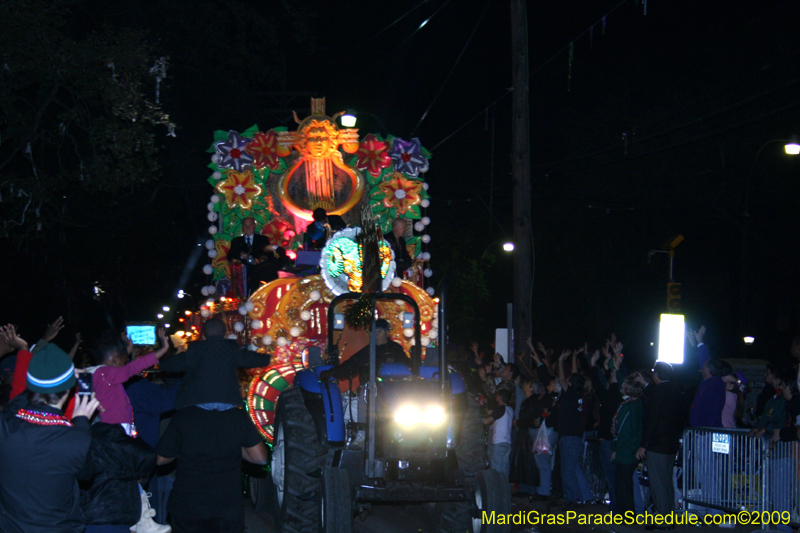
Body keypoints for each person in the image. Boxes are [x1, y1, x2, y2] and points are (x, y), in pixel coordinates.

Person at [0, 342, 100, 533]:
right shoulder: (76, 439)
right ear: (70, 389)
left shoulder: (5, 425)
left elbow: (13, 406)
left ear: (30, 385)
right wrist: (82, 422)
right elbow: (86, 475)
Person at [156, 405, 267, 532]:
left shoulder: (185, 415)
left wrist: (187, 444)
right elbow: (259, 458)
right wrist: (229, 443)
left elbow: (161, 458)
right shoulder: (237, 416)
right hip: (226, 508)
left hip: (188, 505)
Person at [158, 318, 270, 411]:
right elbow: (254, 359)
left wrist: (167, 357)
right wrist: (272, 358)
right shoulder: (232, 349)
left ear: (204, 336)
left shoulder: (195, 350)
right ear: (224, 334)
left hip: (199, 401)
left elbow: (167, 365)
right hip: (228, 401)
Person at [89, 329, 169, 434]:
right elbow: (133, 367)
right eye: (125, 362)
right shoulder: (108, 374)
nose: (125, 365)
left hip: (103, 426)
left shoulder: (93, 372)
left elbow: (118, 360)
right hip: (115, 428)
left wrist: (129, 347)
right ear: (115, 360)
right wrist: (163, 349)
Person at [636, 362, 683, 529]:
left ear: (657, 375)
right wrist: (647, 385)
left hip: (657, 443)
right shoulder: (674, 389)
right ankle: (669, 516)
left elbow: (652, 419)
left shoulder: (659, 392)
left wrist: (644, 444)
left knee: (658, 483)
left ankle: (663, 519)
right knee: (667, 482)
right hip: (670, 442)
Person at [556, 350, 595, 508]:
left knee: (567, 470)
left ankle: (573, 499)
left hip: (570, 436)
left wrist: (560, 361)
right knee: (572, 468)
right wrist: (573, 357)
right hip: (574, 435)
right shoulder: (579, 393)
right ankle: (582, 496)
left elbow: (561, 378)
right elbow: (573, 375)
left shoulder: (571, 393)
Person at [319, 319, 408, 385]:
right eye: (374, 331)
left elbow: (406, 366)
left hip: (391, 390)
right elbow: (351, 365)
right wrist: (331, 372)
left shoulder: (396, 350)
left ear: (386, 333)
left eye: (379, 331)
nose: (376, 334)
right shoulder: (368, 351)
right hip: (369, 391)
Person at [611, 374, 644, 516]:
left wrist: (615, 448)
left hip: (625, 450)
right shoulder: (637, 404)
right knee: (626, 483)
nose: (621, 387)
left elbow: (622, 430)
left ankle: (626, 514)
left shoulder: (627, 406)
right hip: (631, 447)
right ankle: (627, 512)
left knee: (622, 484)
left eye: (624, 384)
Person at [483, 388, 514, 476]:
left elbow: (487, 421)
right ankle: (505, 488)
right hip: (507, 443)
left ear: (499, 397)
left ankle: (497, 489)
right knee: (504, 469)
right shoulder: (510, 409)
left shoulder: (500, 409)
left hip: (499, 443)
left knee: (496, 470)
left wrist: (477, 418)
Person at [689, 358, 726, 428]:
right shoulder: (711, 384)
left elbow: (712, 408)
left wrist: (704, 426)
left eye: (704, 366)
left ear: (707, 369)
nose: (701, 368)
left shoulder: (713, 385)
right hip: (704, 429)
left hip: (706, 430)